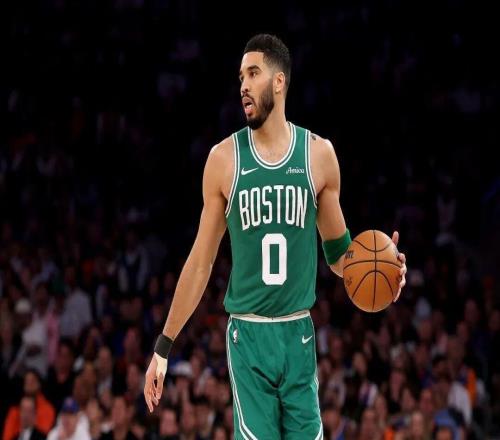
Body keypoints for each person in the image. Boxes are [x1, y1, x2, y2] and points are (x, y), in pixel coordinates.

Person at [143, 33, 407, 438]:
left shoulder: (318, 155)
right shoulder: (224, 160)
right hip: (248, 335)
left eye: (254, 73)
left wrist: (384, 266)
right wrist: (164, 346)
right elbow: (200, 263)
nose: (243, 86)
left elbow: (341, 257)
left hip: (298, 332)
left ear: (279, 81)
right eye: (241, 77)